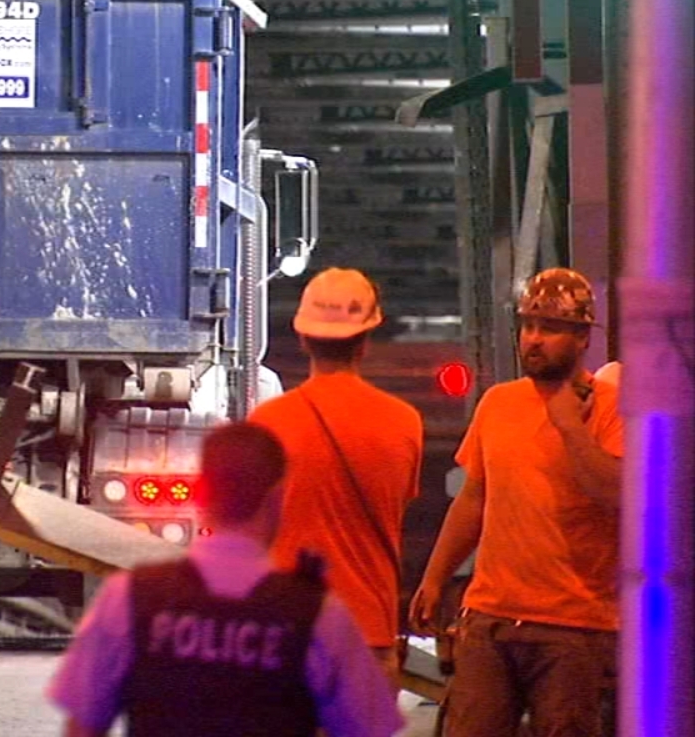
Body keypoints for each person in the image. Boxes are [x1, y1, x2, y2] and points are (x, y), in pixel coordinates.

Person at [47, 421, 403, 737]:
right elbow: (369, 727)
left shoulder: (128, 597)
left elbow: (82, 726)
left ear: (202, 492)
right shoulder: (318, 615)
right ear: (278, 498)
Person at [409, 267, 622, 737]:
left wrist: (569, 426)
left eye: (549, 328)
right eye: (528, 326)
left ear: (583, 337)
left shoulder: (608, 407)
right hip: (491, 618)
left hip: (573, 626)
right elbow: (474, 497)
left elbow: (614, 493)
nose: (533, 339)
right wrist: (435, 577)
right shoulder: (498, 404)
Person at [250, 267, 424, 678]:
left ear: (302, 338)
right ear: (365, 340)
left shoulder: (268, 422)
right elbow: (398, 506)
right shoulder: (404, 422)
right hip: (368, 635)